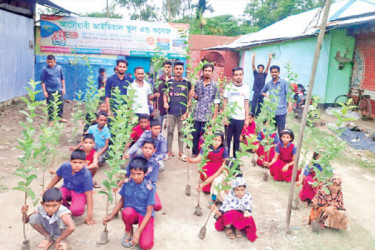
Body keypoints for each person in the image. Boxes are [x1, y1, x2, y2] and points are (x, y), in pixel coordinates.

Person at [103, 157, 155, 249]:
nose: (135, 177)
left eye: (139, 174)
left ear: (145, 173)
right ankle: (129, 230)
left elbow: (149, 212)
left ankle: (140, 231)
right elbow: (122, 201)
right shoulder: (127, 183)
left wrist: (139, 231)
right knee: (126, 212)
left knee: (146, 245)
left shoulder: (149, 188)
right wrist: (111, 216)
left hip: (144, 215)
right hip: (132, 213)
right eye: (133, 174)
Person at [45, 150, 95, 225]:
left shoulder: (86, 175)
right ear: (70, 162)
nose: (77, 165)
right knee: (56, 197)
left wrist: (89, 216)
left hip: (79, 192)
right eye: (74, 162)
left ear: (85, 163)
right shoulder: (65, 166)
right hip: (66, 188)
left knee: (76, 210)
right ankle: (66, 208)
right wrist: (46, 190)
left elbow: (89, 195)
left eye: (80, 163)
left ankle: (78, 204)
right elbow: (57, 178)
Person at [121, 139, 162, 211]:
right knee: (127, 201)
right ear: (142, 148)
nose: (147, 150)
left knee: (157, 206)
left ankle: (145, 209)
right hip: (134, 183)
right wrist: (119, 184)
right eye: (145, 148)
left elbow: (151, 181)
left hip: (147, 187)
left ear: (154, 150)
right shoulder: (135, 160)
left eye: (150, 148)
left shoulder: (155, 164)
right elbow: (126, 174)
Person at [212, 177, 257, 242]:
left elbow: (248, 206)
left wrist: (246, 212)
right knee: (231, 213)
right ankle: (228, 227)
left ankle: (237, 227)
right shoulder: (230, 196)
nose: (240, 192)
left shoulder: (247, 196)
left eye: (242, 190)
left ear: (245, 189)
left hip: (240, 215)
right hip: (229, 216)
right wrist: (216, 211)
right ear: (233, 189)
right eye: (237, 190)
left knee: (249, 218)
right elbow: (223, 210)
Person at [163, 61, 192, 161]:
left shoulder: (187, 83)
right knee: (170, 132)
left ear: (183, 70)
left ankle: (181, 152)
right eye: (177, 69)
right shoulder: (169, 82)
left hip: (182, 112)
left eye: (180, 69)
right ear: (173, 70)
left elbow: (189, 98)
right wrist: (165, 102)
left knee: (181, 132)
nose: (178, 71)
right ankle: (168, 152)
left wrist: (187, 111)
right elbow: (165, 94)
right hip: (171, 111)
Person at [190, 63, 220, 157]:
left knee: (207, 136)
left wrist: (214, 117)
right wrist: (194, 96)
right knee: (195, 135)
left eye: (209, 71)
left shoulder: (215, 86)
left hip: (208, 115)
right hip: (197, 114)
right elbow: (197, 97)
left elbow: (216, 102)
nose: (207, 73)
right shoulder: (197, 84)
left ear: (212, 73)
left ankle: (205, 154)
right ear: (203, 72)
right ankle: (194, 153)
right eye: (206, 70)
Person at [223, 67, 250, 158]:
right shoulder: (229, 87)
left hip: (240, 118)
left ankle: (235, 161)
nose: (238, 76)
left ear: (243, 75)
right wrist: (225, 117)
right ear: (233, 76)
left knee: (237, 141)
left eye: (240, 74)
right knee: (227, 140)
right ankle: (226, 160)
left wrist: (246, 118)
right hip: (230, 118)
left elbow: (246, 103)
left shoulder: (246, 88)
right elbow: (225, 102)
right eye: (236, 75)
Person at [261, 65, 292, 134]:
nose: (274, 74)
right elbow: (262, 91)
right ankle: (272, 144)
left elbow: (288, 94)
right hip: (271, 111)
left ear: (279, 73)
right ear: (270, 73)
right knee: (271, 132)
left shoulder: (284, 83)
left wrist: (290, 104)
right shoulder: (269, 83)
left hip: (281, 111)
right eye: (272, 72)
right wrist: (267, 96)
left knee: (281, 132)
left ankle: (281, 144)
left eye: (275, 72)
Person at [40, 54, 67, 122]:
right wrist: (44, 91)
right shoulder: (45, 69)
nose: (50, 64)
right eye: (48, 62)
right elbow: (42, 82)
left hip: (59, 89)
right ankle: (51, 120)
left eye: (51, 62)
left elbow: (62, 78)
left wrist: (63, 88)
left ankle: (59, 118)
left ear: (55, 61)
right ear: (46, 61)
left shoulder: (59, 68)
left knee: (60, 104)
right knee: (50, 106)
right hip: (49, 90)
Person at [251, 53, 272, 117]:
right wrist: (253, 58)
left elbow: (268, 67)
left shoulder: (264, 75)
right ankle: (252, 115)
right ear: (258, 69)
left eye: (261, 68)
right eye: (259, 68)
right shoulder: (255, 74)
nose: (260, 69)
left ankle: (257, 115)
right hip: (256, 91)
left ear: (263, 69)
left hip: (262, 92)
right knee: (254, 104)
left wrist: (270, 59)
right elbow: (253, 66)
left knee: (260, 105)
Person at [152, 60, 172, 127]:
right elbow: (154, 98)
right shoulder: (158, 81)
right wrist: (154, 110)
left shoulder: (173, 81)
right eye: (165, 67)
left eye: (168, 67)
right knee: (158, 128)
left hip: (171, 110)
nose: (167, 69)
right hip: (160, 108)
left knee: (170, 130)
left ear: (171, 68)